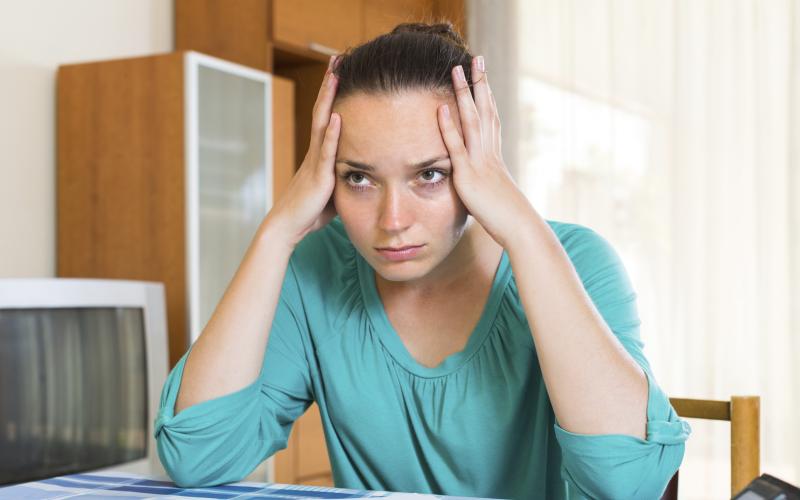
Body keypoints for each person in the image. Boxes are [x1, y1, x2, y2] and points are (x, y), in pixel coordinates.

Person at [154, 22, 690, 500]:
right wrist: (276, 233)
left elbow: (630, 486)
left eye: (429, 174)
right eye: (358, 178)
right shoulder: (315, 268)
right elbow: (196, 459)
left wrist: (524, 232)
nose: (392, 219)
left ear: (480, 160)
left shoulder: (574, 259)